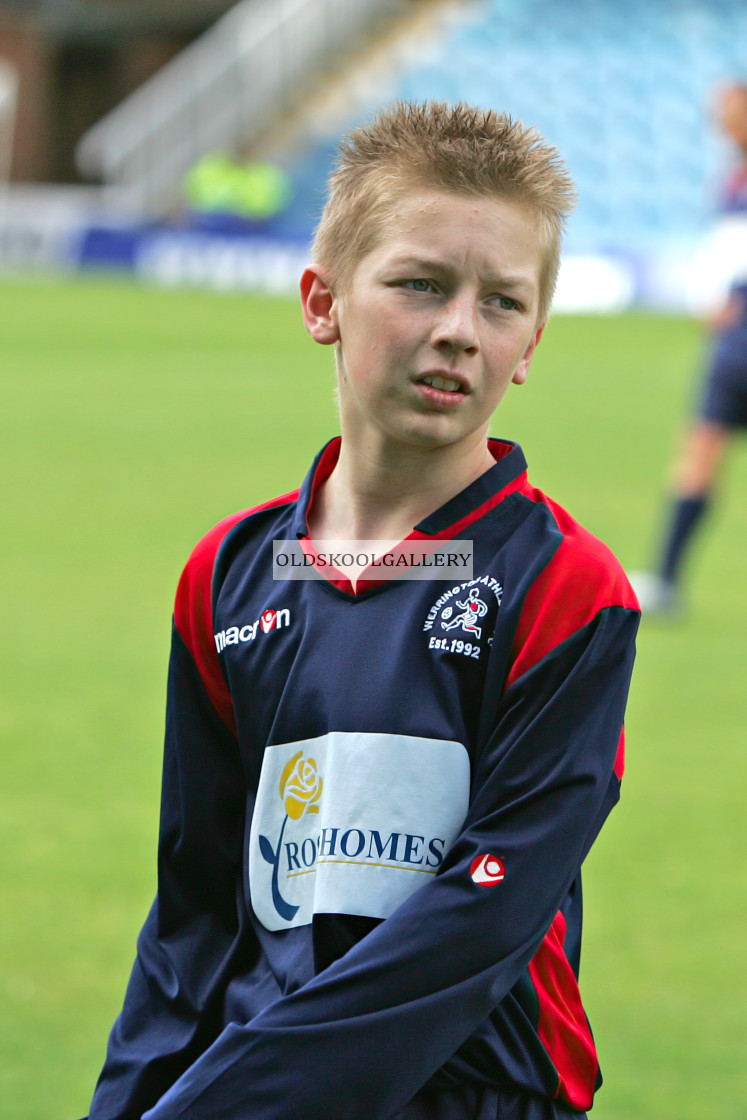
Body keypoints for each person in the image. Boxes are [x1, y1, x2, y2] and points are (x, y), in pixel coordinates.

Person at [82, 102, 640, 1120]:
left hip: (471, 1095)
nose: (458, 330)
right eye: (420, 284)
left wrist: (229, 1101)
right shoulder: (230, 573)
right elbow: (196, 913)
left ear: (531, 345)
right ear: (322, 301)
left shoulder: (566, 587)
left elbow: (476, 928)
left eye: (501, 302)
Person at [631, 82, 747, 615]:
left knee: (701, 449)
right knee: (699, 451)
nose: (719, 117)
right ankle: (667, 580)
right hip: (733, 339)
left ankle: (667, 579)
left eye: (729, 107)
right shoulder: (734, 172)